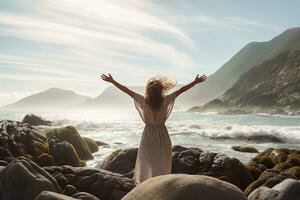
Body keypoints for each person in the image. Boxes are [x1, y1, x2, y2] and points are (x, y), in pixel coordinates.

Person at [100, 73, 207, 184]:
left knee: (148, 161)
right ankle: (161, 184)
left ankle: (146, 184)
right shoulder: (166, 100)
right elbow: (181, 90)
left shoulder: (142, 101)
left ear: (148, 91)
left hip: (148, 135)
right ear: (161, 91)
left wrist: (113, 81)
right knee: (162, 161)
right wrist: (195, 82)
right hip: (162, 134)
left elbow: (126, 90)